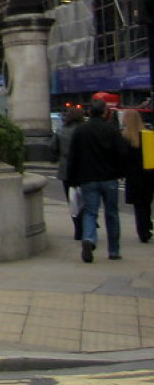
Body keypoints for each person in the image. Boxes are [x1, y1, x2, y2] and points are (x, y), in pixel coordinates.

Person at [68, 95, 128, 262]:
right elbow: (122, 153)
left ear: (89, 112)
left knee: (90, 212)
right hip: (109, 178)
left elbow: (73, 156)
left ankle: (89, 239)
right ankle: (114, 251)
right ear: (104, 112)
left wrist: (72, 178)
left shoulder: (80, 131)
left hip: (88, 178)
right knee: (112, 214)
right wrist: (121, 171)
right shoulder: (112, 130)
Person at [52, 105, 86, 240]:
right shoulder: (84, 130)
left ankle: (78, 228)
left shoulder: (61, 131)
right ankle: (86, 224)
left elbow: (52, 147)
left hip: (66, 168)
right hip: (84, 168)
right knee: (85, 199)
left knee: (72, 200)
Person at [121, 108, 154, 243]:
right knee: (147, 202)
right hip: (149, 174)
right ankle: (147, 225)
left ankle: (142, 231)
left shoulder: (124, 137)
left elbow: (122, 159)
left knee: (138, 205)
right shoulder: (148, 135)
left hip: (133, 176)